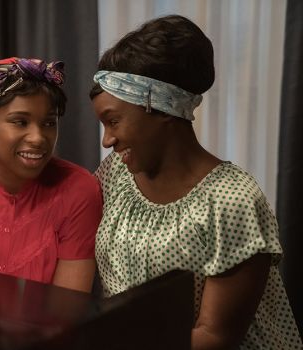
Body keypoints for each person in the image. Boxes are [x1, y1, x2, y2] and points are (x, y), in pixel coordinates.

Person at [90, 14, 302, 349]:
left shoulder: (232, 201)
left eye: (113, 121)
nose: (107, 140)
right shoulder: (116, 174)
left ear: (158, 108)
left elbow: (214, 338)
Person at [0, 57, 103, 292]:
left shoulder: (79, 190)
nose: (38, 138)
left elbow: (66, 308)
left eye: (48, 123)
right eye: (20, 122)